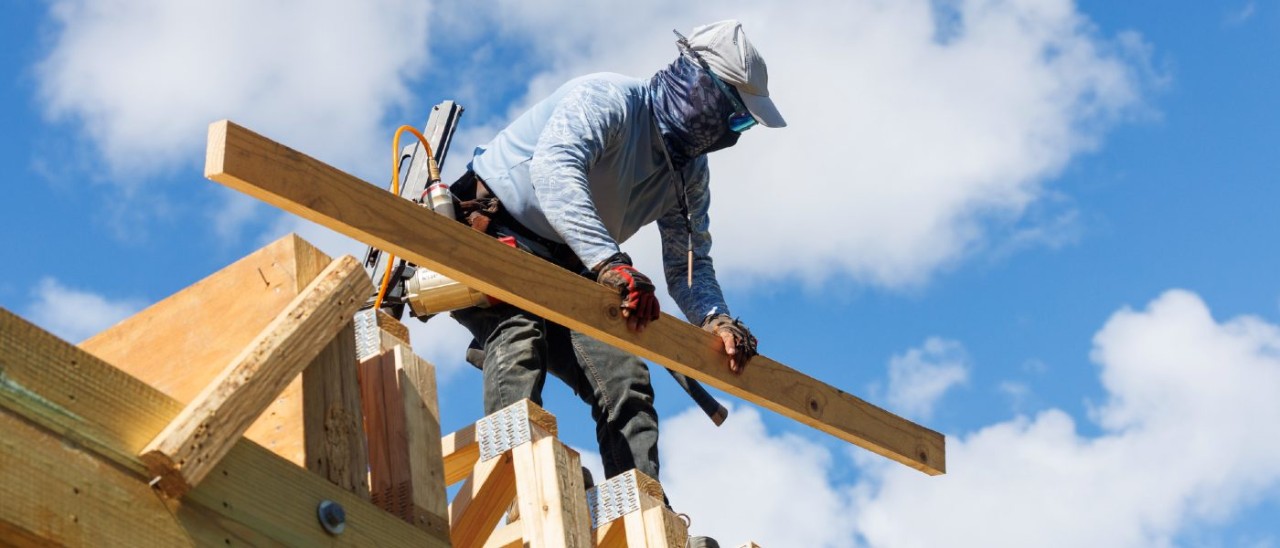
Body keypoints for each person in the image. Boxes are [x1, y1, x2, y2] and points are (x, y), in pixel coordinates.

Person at [450, 18, 784, 512]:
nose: (728, 136)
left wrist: (716, 319)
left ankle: (639, 515)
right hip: (494, 230)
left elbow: (689, 264)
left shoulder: (687, 173)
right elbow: (554, 172)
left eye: (740, 126)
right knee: (518, 331)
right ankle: (515, 480)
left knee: (625, 377)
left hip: (572, 264)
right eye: (732, 118)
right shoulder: (608, 99)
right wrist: (610, 260)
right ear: (701, 91)